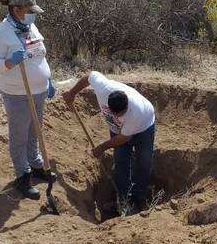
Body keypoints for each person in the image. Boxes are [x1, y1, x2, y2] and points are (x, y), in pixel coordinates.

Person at [0, 0, 56, 200]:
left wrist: (48, 79)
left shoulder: (30, 26)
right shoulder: (0, 32)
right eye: (29, 11)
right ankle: (22, 175)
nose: (33, 15)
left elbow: (40, 55)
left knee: (35, 129)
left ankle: (35, 164)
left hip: (39, 90)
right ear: (16, 10)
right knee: (20, 134)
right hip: (17, 91)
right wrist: (10, 62)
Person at [62, 72, 155, 215]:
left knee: (144, 162)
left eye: (121, 114)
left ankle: (139, 198)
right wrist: (72, 93)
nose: (118, 117)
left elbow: (124, 138)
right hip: (118, 131)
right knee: (121, 162)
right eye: (115, 114)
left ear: (127, 106)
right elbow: (89, 76)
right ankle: (123, 199)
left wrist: (102, 147)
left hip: (144, 128)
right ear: (109, 105)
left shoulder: (135, 112)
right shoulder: (103, 89)